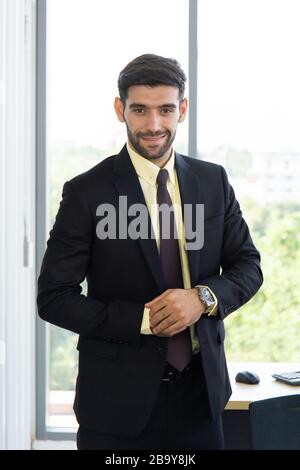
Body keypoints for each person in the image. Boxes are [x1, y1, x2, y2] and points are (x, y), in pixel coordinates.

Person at [37, 54, 263, 450]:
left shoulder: (214, 181)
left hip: (201, 397)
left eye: (166, 110)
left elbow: (248, 265)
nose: (154, 125)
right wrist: (145, 320)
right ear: (120, 108)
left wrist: (202, 299)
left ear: (183, 109)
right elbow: (54, 298)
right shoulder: (86, 192)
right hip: (114, 405)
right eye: (140, 110)